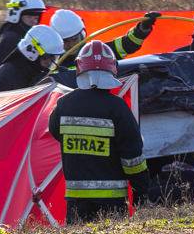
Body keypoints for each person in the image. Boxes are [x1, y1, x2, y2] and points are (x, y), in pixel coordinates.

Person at [49, 40, 149, 224]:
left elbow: (55, 132)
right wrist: (142, 191)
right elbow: (132, 157)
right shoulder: (117, 107)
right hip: (111, 203)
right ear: (111, 69)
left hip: (76, 201)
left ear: (79, 69)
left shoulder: (63, 105)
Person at [50, 9, 160, 72]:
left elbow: (127, 44)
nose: (71, 45)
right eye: (65, 41)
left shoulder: (96, 52)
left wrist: (142, 29)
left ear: (82, 35)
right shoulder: (49, 62)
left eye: (74, 39)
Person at [0, 25, 64, 92]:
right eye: (46, 58)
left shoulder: (38, 74)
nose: (50, 63)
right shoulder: (7, 74)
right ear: (32, 53)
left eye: (54, 59)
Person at [0, 0, 46, 72]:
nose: (33, 22)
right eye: (29, 17)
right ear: (16, 15)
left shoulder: (23, 36)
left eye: (36, 18)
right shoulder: (11, 39)